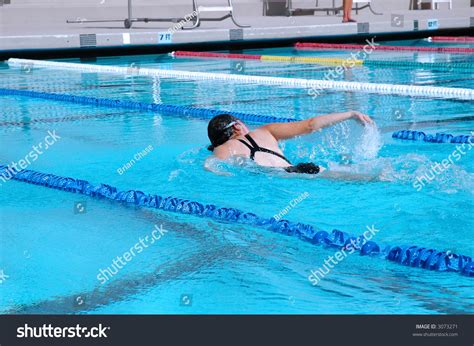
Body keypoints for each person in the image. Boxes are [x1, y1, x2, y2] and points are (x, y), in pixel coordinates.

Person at [206, 111, 374, 176]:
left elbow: (210, 165)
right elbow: (311, 125)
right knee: (356, 177)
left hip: (278, 178)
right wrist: (350, 114)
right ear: (237, 126)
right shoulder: (265, 131)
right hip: (302, 169)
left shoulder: (223, 149)